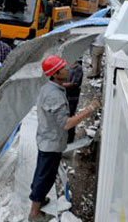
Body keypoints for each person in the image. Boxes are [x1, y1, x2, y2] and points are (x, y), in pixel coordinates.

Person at [28, 55, 100, 222]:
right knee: (45, 176)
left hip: (47, 139)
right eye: (63, 68)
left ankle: (39, 197)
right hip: (51, 143)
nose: (68, 70)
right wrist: (89, 109)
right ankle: (34, 213)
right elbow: (66, 124)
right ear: (55, 74)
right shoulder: (55, 95)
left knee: (42, 172)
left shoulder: (50, 88)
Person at [62, 59, 83, 144]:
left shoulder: (78, 69)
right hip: (65, 96)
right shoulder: (67, 68)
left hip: (72, 97)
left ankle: (70, 139)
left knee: (70, 116)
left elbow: (75, 84)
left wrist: (61, 85)